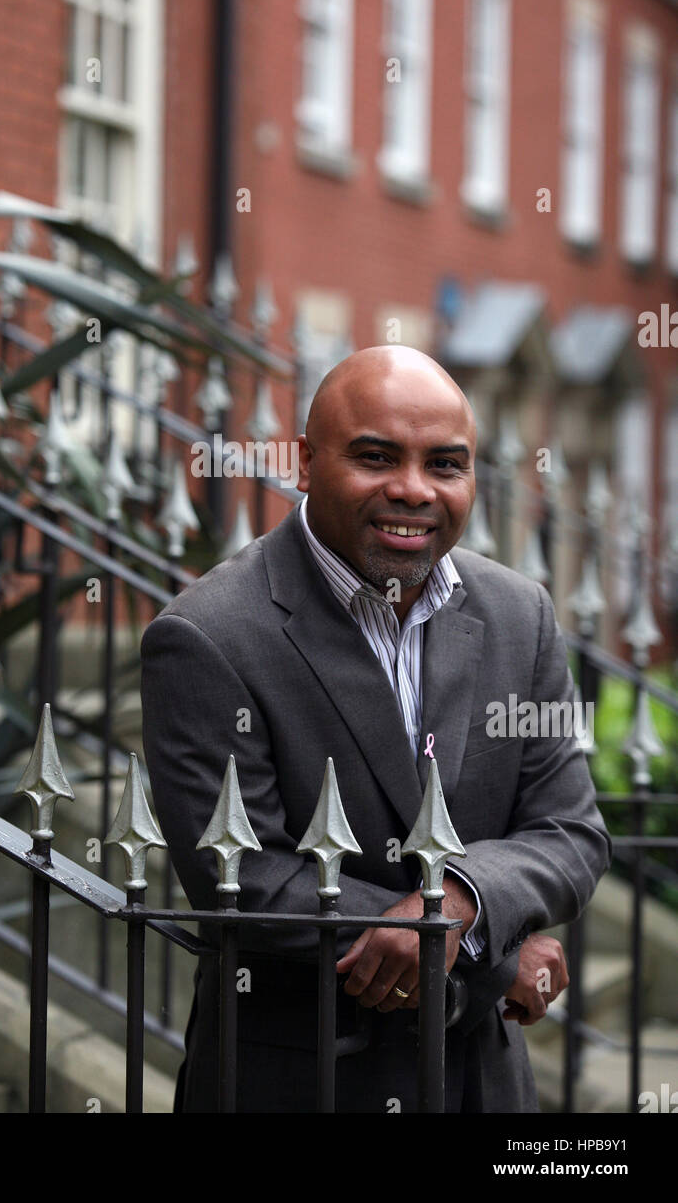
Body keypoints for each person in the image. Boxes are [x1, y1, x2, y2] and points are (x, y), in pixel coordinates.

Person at [140, 345, 611, 1112]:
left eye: (446, 464)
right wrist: (492, 962)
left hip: (479, 1084)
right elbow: (245, 883)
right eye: (375, 456)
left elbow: (572, 832)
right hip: (300, 1081)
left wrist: (462, 905)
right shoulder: (207, 636)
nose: (413, 489)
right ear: (302, 461)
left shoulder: (519, 615)